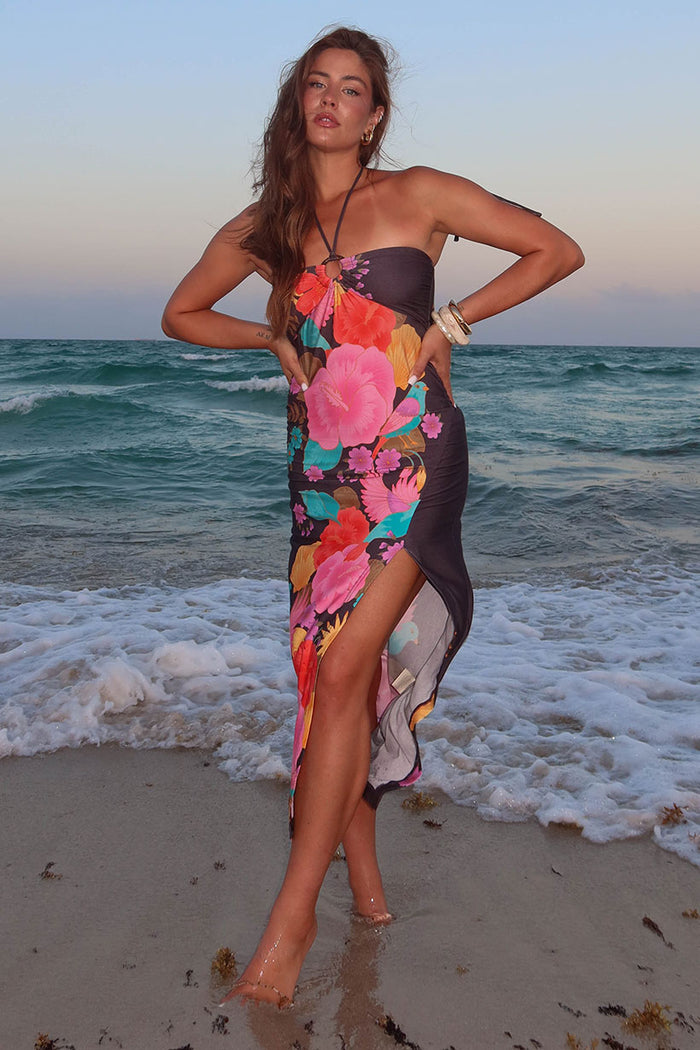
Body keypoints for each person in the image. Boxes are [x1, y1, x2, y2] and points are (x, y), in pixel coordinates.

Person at [162, 25, 584, 1009]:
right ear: (296, 102)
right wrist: (272, 338)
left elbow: (553, 250)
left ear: (376, 114)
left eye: (352, 89)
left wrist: (445, 325)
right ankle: (370, 890)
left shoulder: (419, 193)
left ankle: (292, 917)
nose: (331, 101)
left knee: (351, 665)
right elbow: (181, 312)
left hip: (410, 455)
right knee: (325, 676)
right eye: (316, 85)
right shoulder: (267, 223)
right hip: (320, 475)